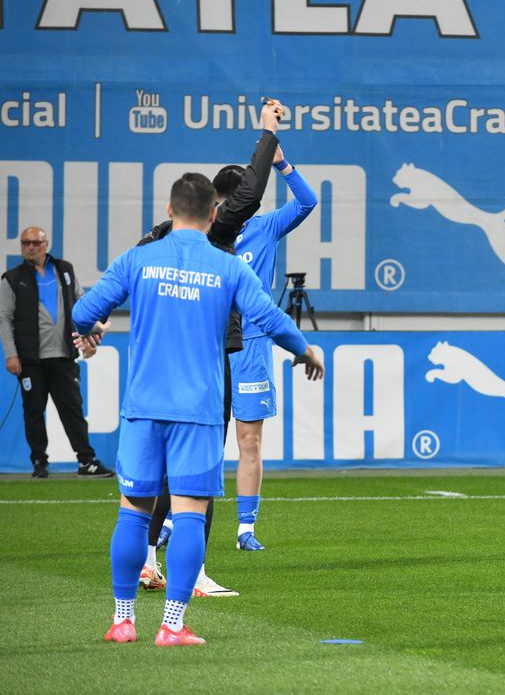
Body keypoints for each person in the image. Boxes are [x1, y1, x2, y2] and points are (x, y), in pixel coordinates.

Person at [75, 171, 324, 647]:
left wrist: (89, 331)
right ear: (214, 215)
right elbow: (268, 317)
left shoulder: (138, 259)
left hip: (144, 407)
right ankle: (172, 625)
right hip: (198, 410)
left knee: (132, 513)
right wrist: (304, 348)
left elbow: (84, 312)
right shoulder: (227, 266)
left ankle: (122, 619)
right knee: (189, 513)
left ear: (169, 211)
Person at [138, 98, 284, 596]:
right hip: (206, 365)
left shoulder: (154, 243)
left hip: (162, 366)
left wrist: (86, 328)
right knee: (201, 467)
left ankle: (147, 558)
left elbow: (118, 288)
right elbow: (252, 194)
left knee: (159, 468)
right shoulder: (217, 237)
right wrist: (267, 134)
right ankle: (193, 575)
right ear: (214, 208)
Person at [221, 153, 318, 551]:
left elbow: (308, 202)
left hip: (254, 343)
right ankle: (174, 517)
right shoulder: (208, 234)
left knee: (249, 442)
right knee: (201, 437)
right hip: (210, 343)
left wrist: (283, 164)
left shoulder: (267, 226)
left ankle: (246, 528)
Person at [0, 227, 113, 478]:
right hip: (32, 360)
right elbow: (4, 318)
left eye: (36, 243)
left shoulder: (64, 270)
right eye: (26, 243)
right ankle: (39, 462)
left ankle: (87, 461)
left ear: (45, 244)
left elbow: (81, 304)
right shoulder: (12, 278)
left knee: (73, 409)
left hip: (64, 354)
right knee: (33, 412)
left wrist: (89, 341)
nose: (31, 247)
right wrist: (11, 354)